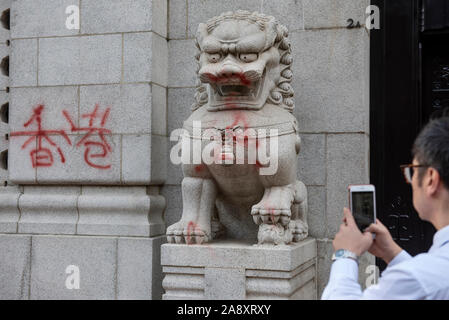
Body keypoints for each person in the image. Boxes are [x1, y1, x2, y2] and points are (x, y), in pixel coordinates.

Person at [321, 114, 449, 299]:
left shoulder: (415, 278)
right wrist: (393, 253)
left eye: (412, 170)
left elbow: (421, 282)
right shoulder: (429, 274)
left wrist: (345, 254)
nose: (410, 180)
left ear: (431, 179)